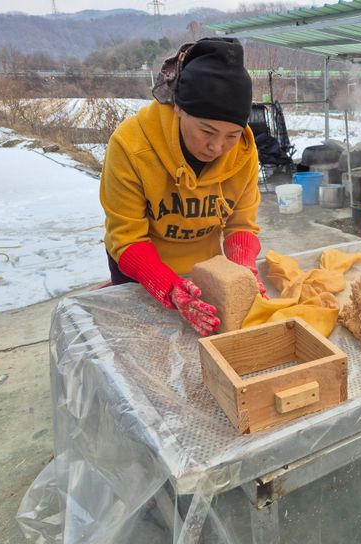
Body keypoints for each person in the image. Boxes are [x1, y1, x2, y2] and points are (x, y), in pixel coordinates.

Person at [100, 38, 266, 337]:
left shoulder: (243, 151)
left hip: (203, 270)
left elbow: (242, 224)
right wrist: (168, 286)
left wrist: (244, 267)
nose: (217, 147)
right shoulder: (131, 146)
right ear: (178, 108)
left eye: (232, 135)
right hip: (142, 269)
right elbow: (126, 238)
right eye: (206, 131)